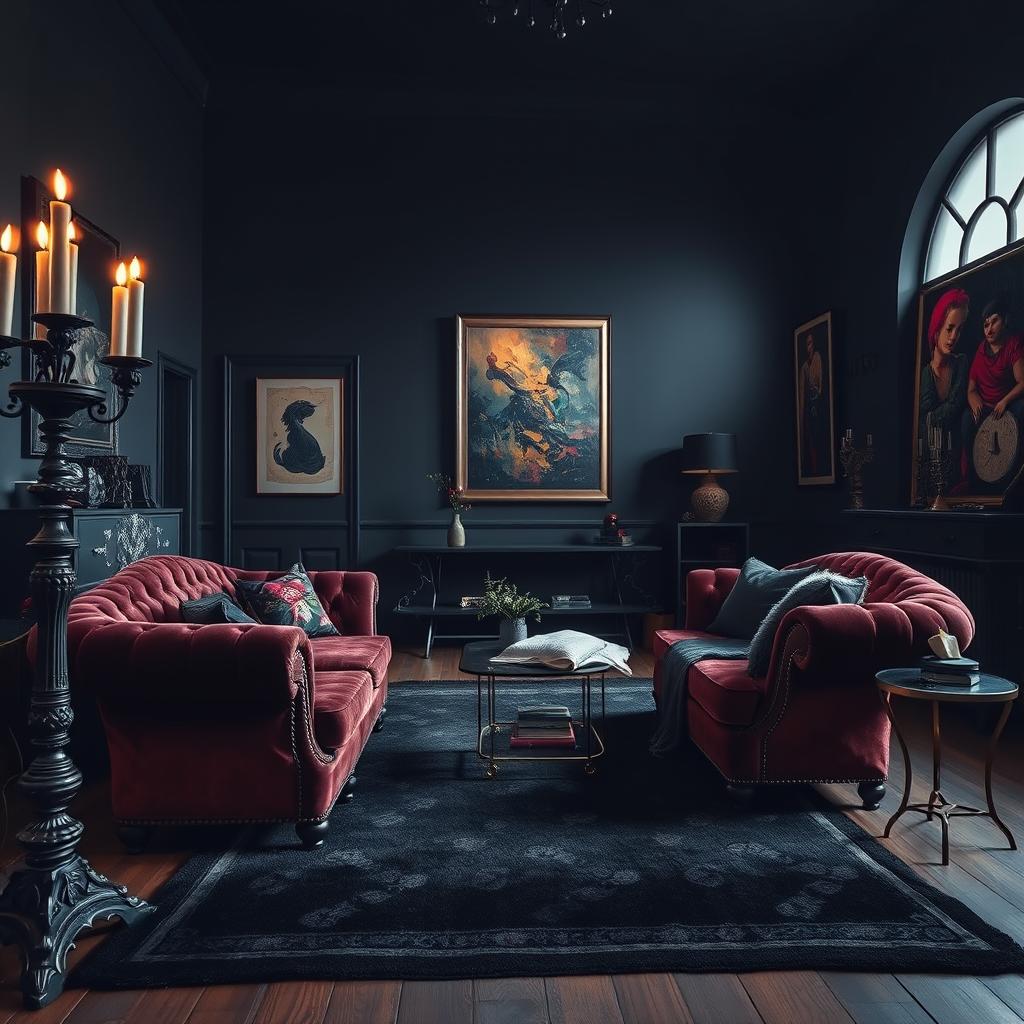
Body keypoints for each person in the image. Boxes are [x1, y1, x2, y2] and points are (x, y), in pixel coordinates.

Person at [959, 295, 1024, 485]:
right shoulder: (981, 350)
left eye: (994, 321)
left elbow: (1022, 382)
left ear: (1005, 321)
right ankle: (975, 476)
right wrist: (974, 401)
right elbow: (971, 389)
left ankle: (1015, 476)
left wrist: (1004, 401)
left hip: (1007, 404)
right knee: (966, 421)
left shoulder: (1013, 345)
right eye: (986, 324)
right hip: (985, 407)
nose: (989, 329)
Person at [919, 288, 969, 481]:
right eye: (950, 328)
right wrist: (931, 420)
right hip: (931, 468)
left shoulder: (961, 362)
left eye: (959, 329)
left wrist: (933, 418)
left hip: (957, 461)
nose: (954, 336)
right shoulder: (925, 374)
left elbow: (955, 405)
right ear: (937, 328)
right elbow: (924, 426)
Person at [798, 330, 826, 476]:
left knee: (816, 437)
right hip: (808, 408)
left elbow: (820, 386)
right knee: (809, 438)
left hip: (817, 406)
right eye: (806, 344)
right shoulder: (803, 367)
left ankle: (817, 468)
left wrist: (816, 397)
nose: (808, 346)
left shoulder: (818, 358)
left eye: (810, 343)